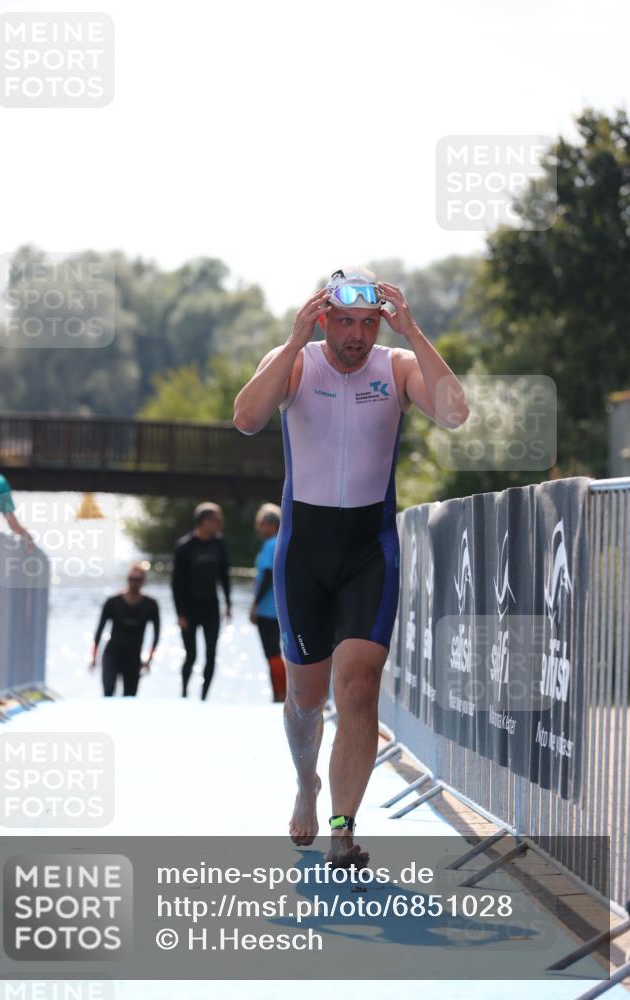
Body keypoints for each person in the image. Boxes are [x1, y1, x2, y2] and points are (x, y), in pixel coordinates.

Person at [233, 265, 469, 866]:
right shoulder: (298, 361)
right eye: (346, 322)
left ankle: (344, 825)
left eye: (369, 322)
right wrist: (290, 342)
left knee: (359, 689)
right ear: (324, 319)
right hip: (304, 553)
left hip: (370, 550)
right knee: (307, 698)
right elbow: (247, 417)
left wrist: (414, 333)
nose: (358, 335)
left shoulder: (396, 368)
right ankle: (306, 782)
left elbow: (455, 413)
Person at [172, 502, 232, 700]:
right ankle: (183, 694)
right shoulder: (185, 546)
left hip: (211, 607)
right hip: (189, 609)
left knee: (211, 654)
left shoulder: (219, 544)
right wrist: (179, 613)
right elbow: (176, 583)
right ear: (204, 521)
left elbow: (224, 576)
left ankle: (204, 697)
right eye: (217, 520)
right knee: (191, 655)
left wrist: (229, 604)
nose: (220, 524)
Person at [90, 563, 160, 697]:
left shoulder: (150, 605)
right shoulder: (113, 602)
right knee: (109, 692)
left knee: (129, 698)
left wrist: (149, 659)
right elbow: (99, 631)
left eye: (138, 579)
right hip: (112, 654)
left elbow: (156, 635)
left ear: (143, 581)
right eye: (132, 578)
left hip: (133, 657)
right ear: (127, 579)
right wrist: (94, 656)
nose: (135, 582)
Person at [250, 503, 287, 703]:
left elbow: (267, 574)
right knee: (275, 651)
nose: (258, 528)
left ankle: (280, 693)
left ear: (272, 525)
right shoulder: (279, 543)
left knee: (272, 652)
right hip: (277, 609)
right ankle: (280, 692)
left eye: (261, 523)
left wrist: (255, 605)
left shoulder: (271, 544)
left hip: (268, 609)